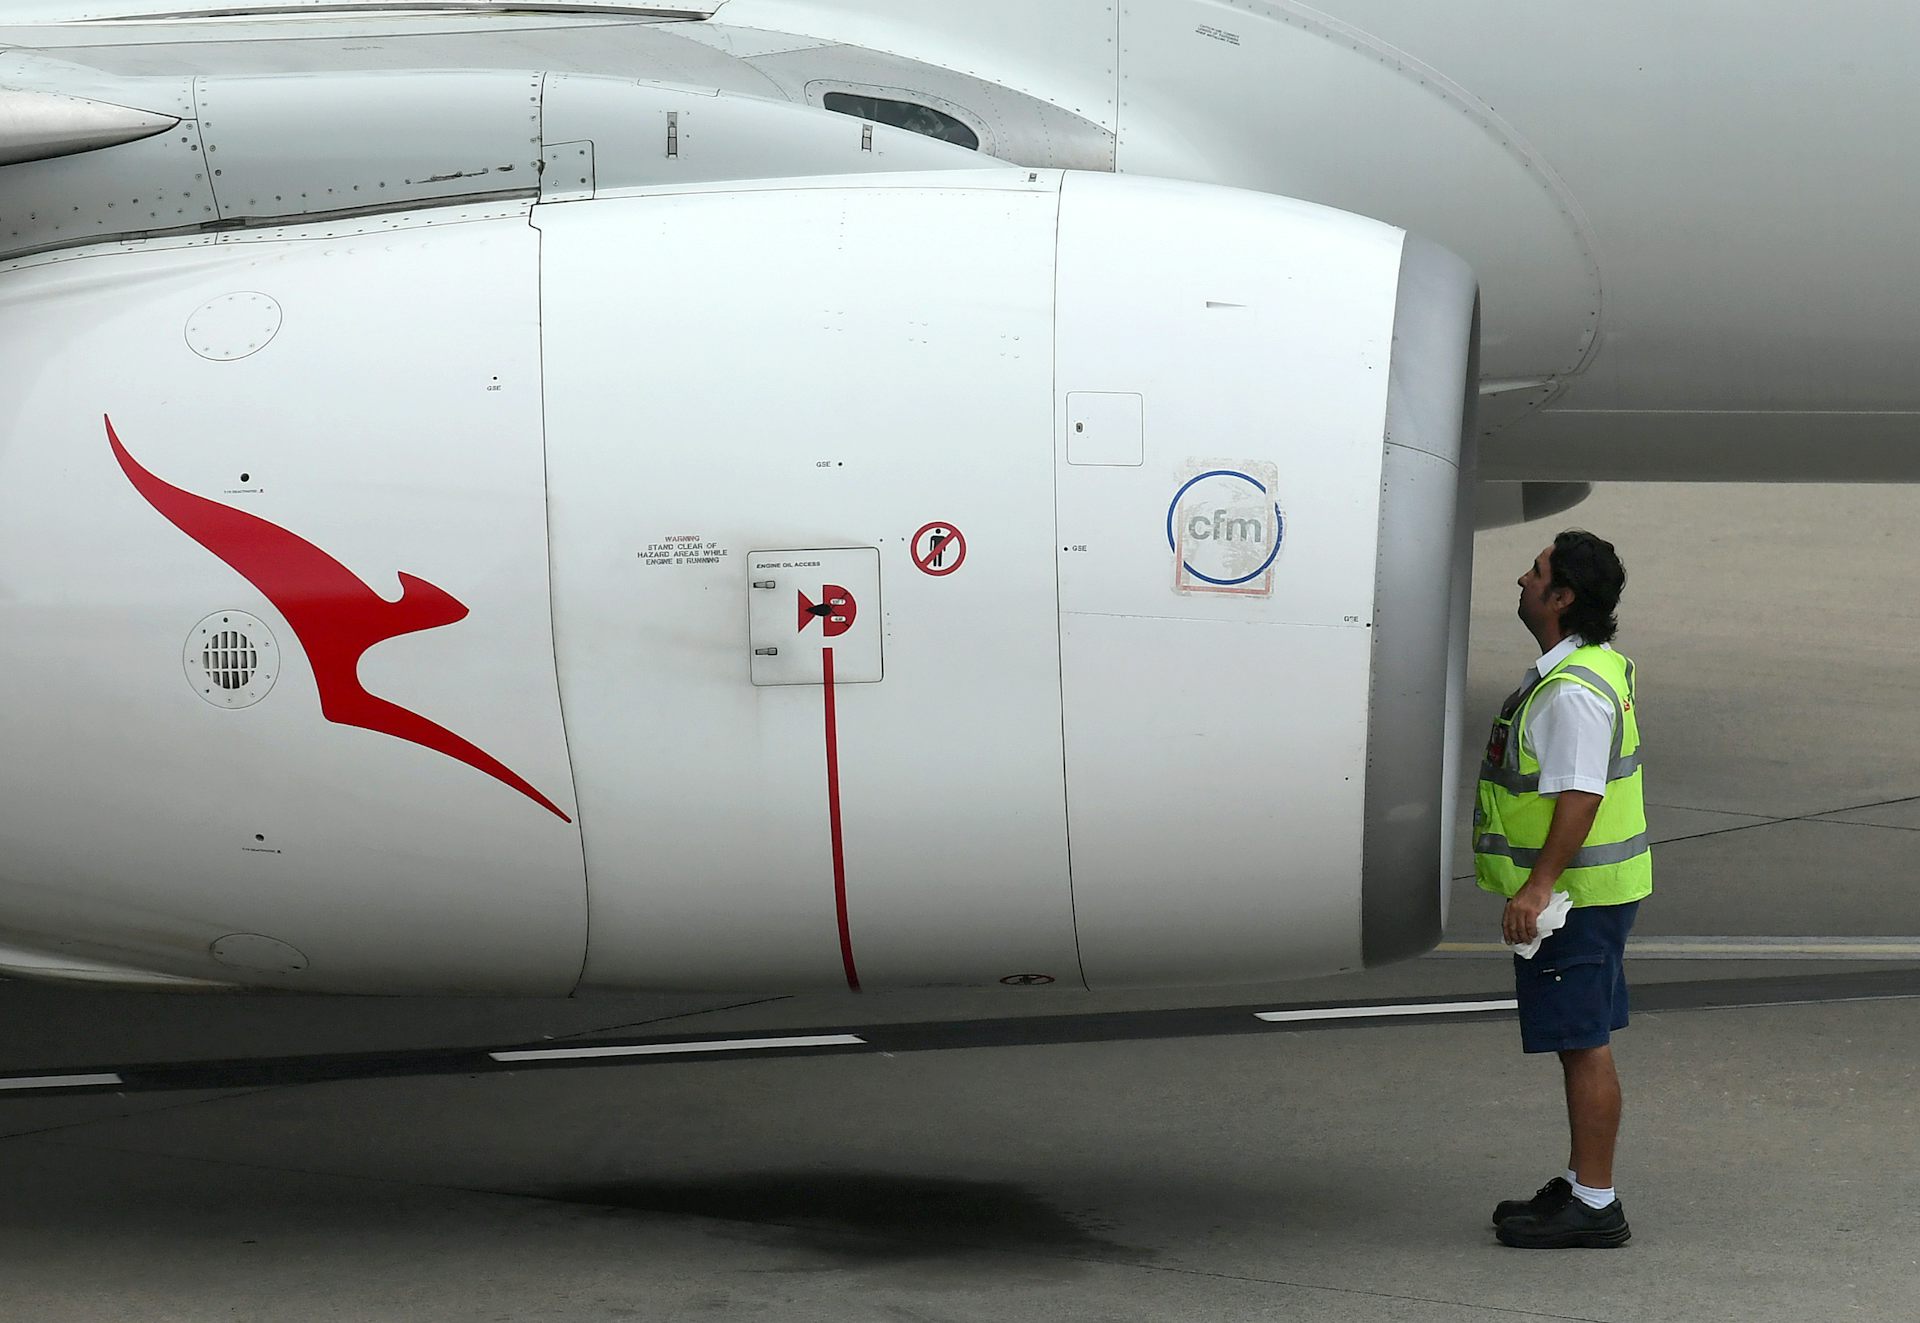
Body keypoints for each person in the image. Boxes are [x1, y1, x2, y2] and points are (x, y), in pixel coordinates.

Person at [1476, 530, 1651, 1250]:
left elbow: (1579, 797)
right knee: (1583, 1037)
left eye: (1537, 571)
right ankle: (1582, 1182)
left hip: (1575, 898)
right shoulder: (1591, 666)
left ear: (1562, 596)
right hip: (1597, 891)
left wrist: (1537, 888)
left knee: (1583, 1043)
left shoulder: (1573, 693)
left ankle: (1597, 1203)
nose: (1522, 578)